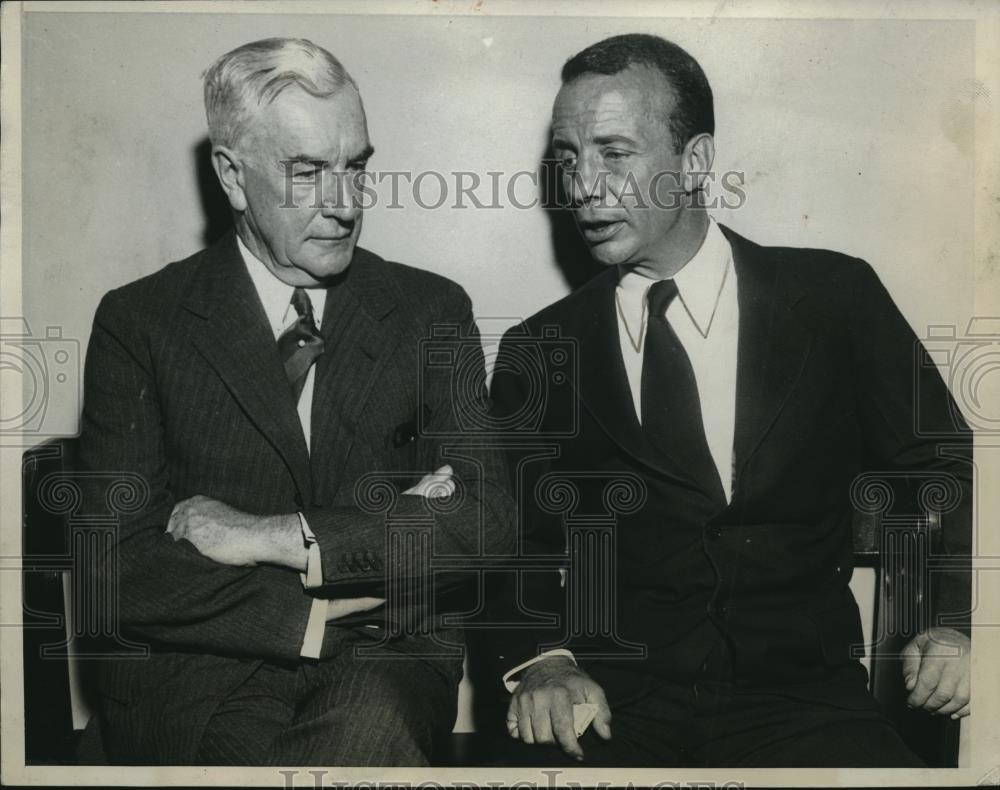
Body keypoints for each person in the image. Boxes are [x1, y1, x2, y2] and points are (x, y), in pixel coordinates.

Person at [490, 33, 972, 767]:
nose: (583, 185)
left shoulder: (835, 298)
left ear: (696, 162)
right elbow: (508, 543)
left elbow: (941, 464)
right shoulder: (539, 349)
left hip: (806, 703)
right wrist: (546, 662)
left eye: (615, 154)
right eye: (568, 158)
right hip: (616, 708)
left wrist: (950, 625)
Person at [76, 37, 512, 766]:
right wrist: (309, 612)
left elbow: (488, 519)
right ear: (233, 176)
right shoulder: (141, 321)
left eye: (357, 167)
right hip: (199, 675)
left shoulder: (429, 310)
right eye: (307, 173)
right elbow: (111, 566)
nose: (345, 205)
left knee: (363, 749)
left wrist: (278, 537)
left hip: (385, 655)